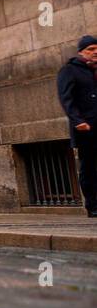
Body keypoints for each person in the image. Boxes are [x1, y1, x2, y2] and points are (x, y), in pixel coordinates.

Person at [57, 35, 97, 218]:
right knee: (89, 167)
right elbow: (66, 98)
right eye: (90, 49)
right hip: (85, 128)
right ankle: (93, 205)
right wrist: (77, 120)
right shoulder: (69, 70)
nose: (95, 52)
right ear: (81, 52)